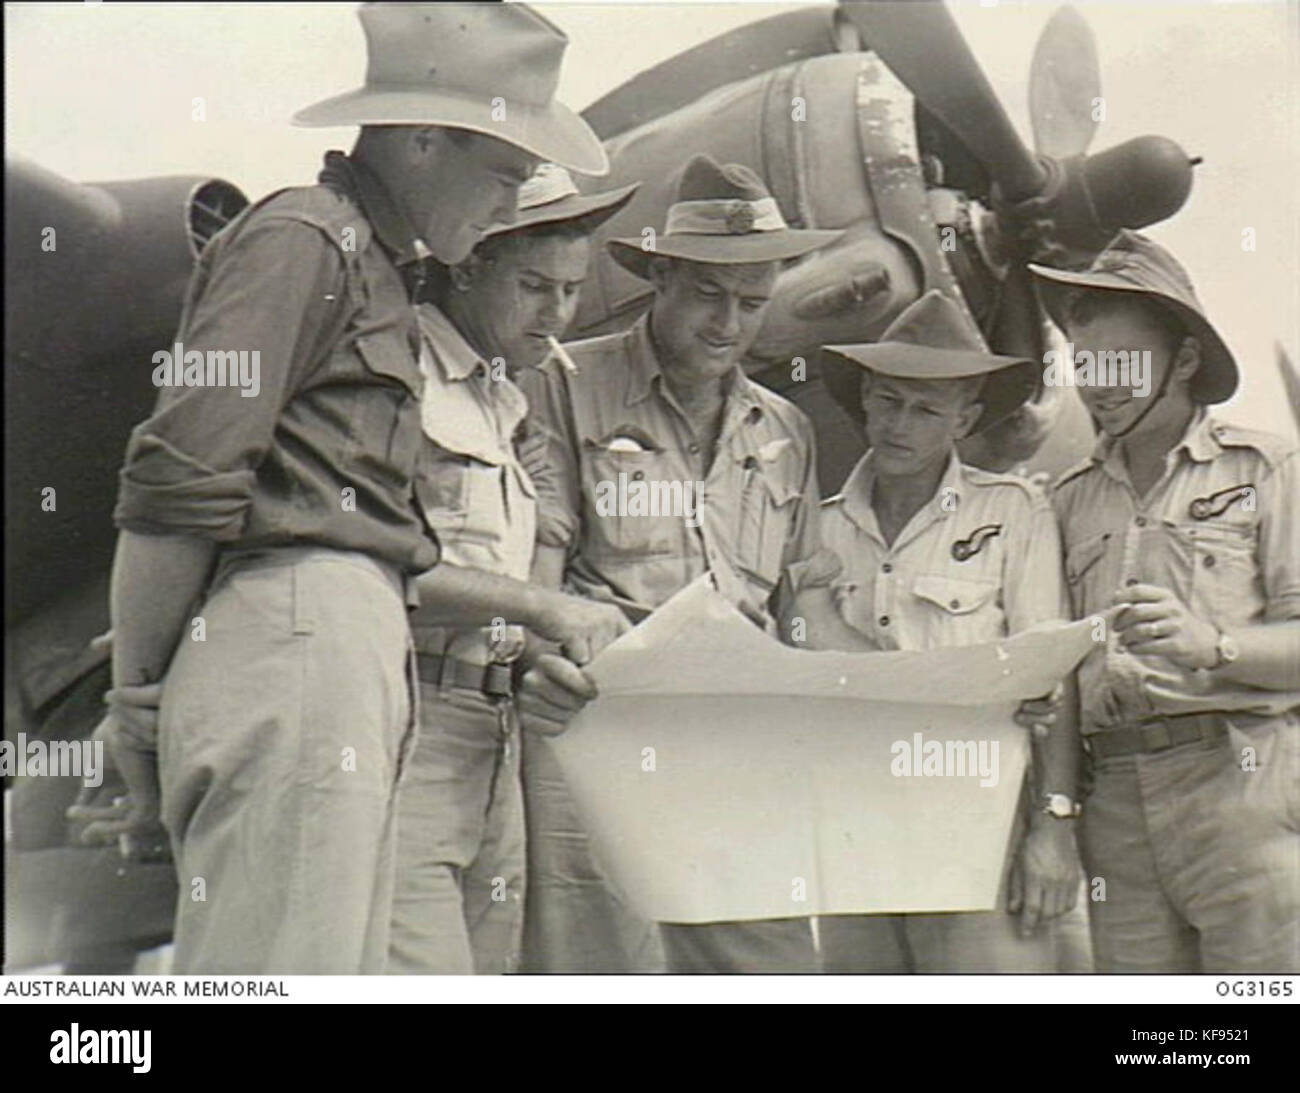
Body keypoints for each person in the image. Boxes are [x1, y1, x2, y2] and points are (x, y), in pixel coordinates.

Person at [72, 2, 619, 974]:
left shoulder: (373, 271)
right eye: (500, 175)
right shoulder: (304, 239)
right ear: (418, 142)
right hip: (301, 636)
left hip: (349, 643)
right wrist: (136, 705)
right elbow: (179, 478)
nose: (507, 207)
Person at [518, 153, 862, 973]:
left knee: (772, 974)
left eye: (752, 302)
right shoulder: (564, 385)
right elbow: (536, 567)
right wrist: (534, 657)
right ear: (660, 277)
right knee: (598, 971)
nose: (728, 324)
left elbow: (801, 606)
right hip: (593, 731)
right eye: (708, 294)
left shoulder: (785, 428)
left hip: (735, 742)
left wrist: (939, 689)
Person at [387, 164, 639, 974]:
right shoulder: (400, 374)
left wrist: (536, 660)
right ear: (468, 266)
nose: (557, 314)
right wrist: (545, 609)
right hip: (408, 730)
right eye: (535, 286)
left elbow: (487, 588)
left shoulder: (508, 403)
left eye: (571, 289)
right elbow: (373, 572)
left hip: (493, 739)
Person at [1031, 230, 1300, 973]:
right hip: (1112, 801)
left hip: (1241, 788)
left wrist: (1215, 644)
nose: (1100, 383)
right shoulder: (1064, 501)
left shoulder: (1271, 469)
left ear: (1183, 361)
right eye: (1086, 363)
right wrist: (1056, 814)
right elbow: (1055, 677)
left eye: (1123, 361)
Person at [810, 290, 1091, 972]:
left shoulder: (1015, 514)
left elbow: (1051, 679)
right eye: (888, 400)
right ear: (866, 399)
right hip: (855, 837)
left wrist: (1052, 828)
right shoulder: (818, 528)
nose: (898, 424)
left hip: (979, 830)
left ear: (965, 419)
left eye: (926, 409)